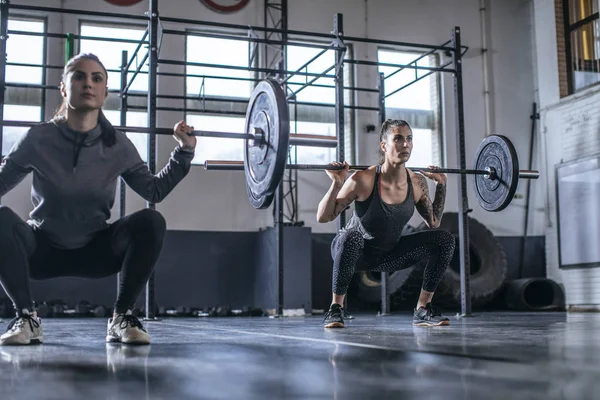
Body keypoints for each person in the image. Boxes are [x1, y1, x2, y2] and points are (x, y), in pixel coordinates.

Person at [0, 53, 196, 345]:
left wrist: (184, 153)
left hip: (97, 250)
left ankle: (121, 317)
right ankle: (27, 317)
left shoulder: (118, 144)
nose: (88, 84)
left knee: (151, 221)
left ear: (105, 92)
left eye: (97, 78)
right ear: (64, 88)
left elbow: (153, 191)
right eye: (79, 76)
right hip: (40, 251)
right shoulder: (36, 139)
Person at [317, 119, 455, 328]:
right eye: (398, 138)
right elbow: (324, 217)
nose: (405, 144)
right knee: (351, 237)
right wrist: (337, 183)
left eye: (409, 139)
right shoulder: (362, 179)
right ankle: (336, 308)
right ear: (384, 145)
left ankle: (423, 308)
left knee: (444, 240)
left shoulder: (417, 182)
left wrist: (441, 185)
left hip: (388, 255)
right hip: (353, 252)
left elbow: (433, 222)